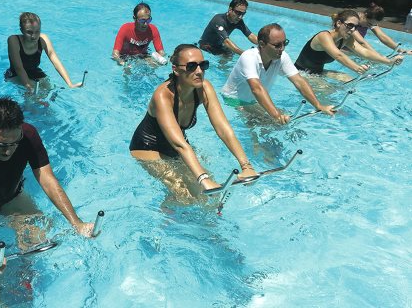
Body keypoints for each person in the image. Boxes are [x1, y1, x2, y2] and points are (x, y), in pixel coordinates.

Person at [0, 98, 94, 275]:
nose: (8, 151)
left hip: (11, 197)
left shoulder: (28, 135)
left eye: (13, 143)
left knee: (37, 237)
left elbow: (47, 180)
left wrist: (77, 223)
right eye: (0, 144)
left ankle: (26, 274)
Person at [129, 44, 257, 201]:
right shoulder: (162, 96)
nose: (199, 71)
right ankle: (167, 219)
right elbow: (180, 145)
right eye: (191, 66)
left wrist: (246, 166)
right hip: (149, 147)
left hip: (178, 143)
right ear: (176, 69)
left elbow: (223, 128)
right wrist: (203, 179)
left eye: (203, 65)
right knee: (186, 195)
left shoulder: (204, 88)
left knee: (208, 195)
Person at [221, 23, 335, 124]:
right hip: (233, 100)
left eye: (284, 43)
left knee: (286, 119)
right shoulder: (248, 57)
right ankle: (257, 147)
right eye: (277, 45)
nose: (282, 48)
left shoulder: (282, 57)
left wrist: (319, 106)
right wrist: (276, 116)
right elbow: (257, 89)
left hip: (253, 101)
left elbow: (299, 81)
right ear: (261, 44)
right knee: (270, 122)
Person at [294, 10, 403, 79]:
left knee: (348, 79)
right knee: (328, 90)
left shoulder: (346, 39)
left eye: (355, 27)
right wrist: (357, 68)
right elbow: (338, 55)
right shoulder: (324, 36)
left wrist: (388, 61)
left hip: (318, 72)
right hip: (301, 73)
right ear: (338, 23)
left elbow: (364, 52)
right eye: (349, 25)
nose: (352, 29)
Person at [5, 12, 82, 93]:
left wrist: (70, 84)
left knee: (52, 90)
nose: (34, 36)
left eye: (37, 31)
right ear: (22, 30)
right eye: (29, 32)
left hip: (35, 72)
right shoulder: (13, 40)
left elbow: (56, 62)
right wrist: (29, 87)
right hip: (15, 74)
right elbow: (18, 68)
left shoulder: (43, 39)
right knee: (33, 94)